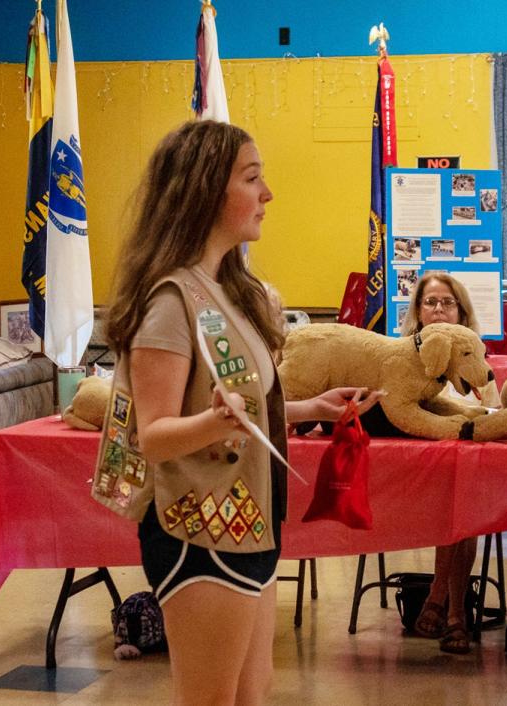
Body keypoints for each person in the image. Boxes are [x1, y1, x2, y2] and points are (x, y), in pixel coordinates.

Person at [106, 121, 381, 705]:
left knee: (251, 692)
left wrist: (310, 409)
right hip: (196, 530)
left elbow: (236, 404)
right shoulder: (171, 301)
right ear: (206, 191)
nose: (268, 194)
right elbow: (152, 436)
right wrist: (214, 423)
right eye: (252, 178)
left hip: (245, 522)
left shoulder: (224, 290)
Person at [399, 272, 501, 654]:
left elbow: (493, 409)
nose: (439, 309)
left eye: (447, 302)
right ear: (418, 311)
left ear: (461, 311)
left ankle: (442, 601)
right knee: (456, 504)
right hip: (413, 472)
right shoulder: (399, 353)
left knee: (462, 503)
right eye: (430, 302)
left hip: (465, 467)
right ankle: (453, 607)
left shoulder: (474, 353)